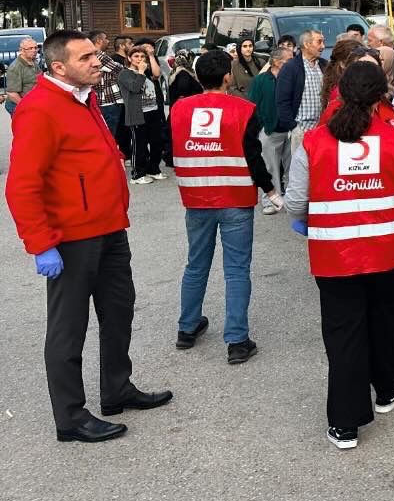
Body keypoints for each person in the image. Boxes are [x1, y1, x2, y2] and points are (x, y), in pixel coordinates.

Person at [5, 30, 172, 442]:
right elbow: (22, 185)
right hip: (72, 237)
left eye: (96, 54)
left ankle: (117, 388)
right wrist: (41, 243)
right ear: (58, 66)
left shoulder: (85, 97)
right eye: (86, 58)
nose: (97, 62)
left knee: (119, 312)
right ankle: (71, 417)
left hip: (109, 228)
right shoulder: (40, 108)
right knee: (68, 328)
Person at [284, 60, 394, 450]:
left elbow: (294, 200)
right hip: (388, 253)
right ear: (381, 98)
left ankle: (345, 423)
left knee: (344, 335)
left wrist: (303, 218)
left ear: (339, 93)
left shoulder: (314, 141)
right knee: (384, 323)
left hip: (333, 255)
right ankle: (388, 389)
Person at [171, 50, 281, 365]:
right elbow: (253, 156)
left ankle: (187, 328)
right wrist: (269, 189)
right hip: (235, 197)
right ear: (227, 77)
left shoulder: (179, 109)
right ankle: (237, 340)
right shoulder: (244, 110)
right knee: (235, 269)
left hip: (196, 197)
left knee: (195, 264)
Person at [119, 45, 166, 185]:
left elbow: (157, 74)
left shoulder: (146, 71)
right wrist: (140, 72)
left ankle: (153, 169)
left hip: (153, 111)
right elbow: (134, 87)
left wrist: (150, 57)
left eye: (142, 56)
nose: (139, 59)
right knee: (140, 144)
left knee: (157, 142)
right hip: (138, 114)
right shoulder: (125, 74)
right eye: (136, 56)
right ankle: (138, 174)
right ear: (129, 58)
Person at [249, 48, 290, 207]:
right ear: (277, 62)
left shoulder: (292, 78)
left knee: (292, 168)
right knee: (270, 167)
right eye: (289, 59)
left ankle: (292, 201)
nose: (293, 61)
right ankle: (271, 202)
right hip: (269, 130)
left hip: (291, 130)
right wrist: (262, 126)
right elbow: (253, 105)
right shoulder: (261, 80)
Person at [276, 29, 326, 158]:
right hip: (301, 130)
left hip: (322, 129)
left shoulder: (324, 65)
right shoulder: (291, 67)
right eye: (319, 42)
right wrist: (294, 128)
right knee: (301, 172)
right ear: (307, 44)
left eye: (323, 42)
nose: (323, 46)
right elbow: (282, 101)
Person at [90, 30, 126, 144]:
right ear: (99, 41)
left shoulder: (93, 55)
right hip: (109, 101)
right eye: (105, 39)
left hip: (104, 101)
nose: (108, 41)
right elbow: (120, 71)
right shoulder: (100, 56)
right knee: (109, 135)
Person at [4, 35, 41, 113]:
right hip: (18, 105)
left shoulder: (33, 61)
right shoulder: (15, 67)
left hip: (33, 104)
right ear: (21, 50)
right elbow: (12, 93)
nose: (34, 50)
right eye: (30, 48)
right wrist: (26, 106)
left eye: (35, 47)